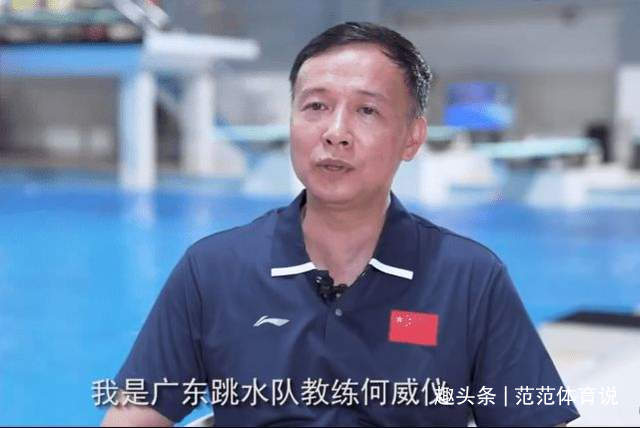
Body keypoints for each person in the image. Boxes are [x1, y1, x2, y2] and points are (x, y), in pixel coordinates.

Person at [102, 22, 579, 426]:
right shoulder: (214, 270)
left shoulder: (468, 279)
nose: (335, 133)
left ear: (412, 137)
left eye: (367, 110)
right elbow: (133, 414)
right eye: (315, 107)